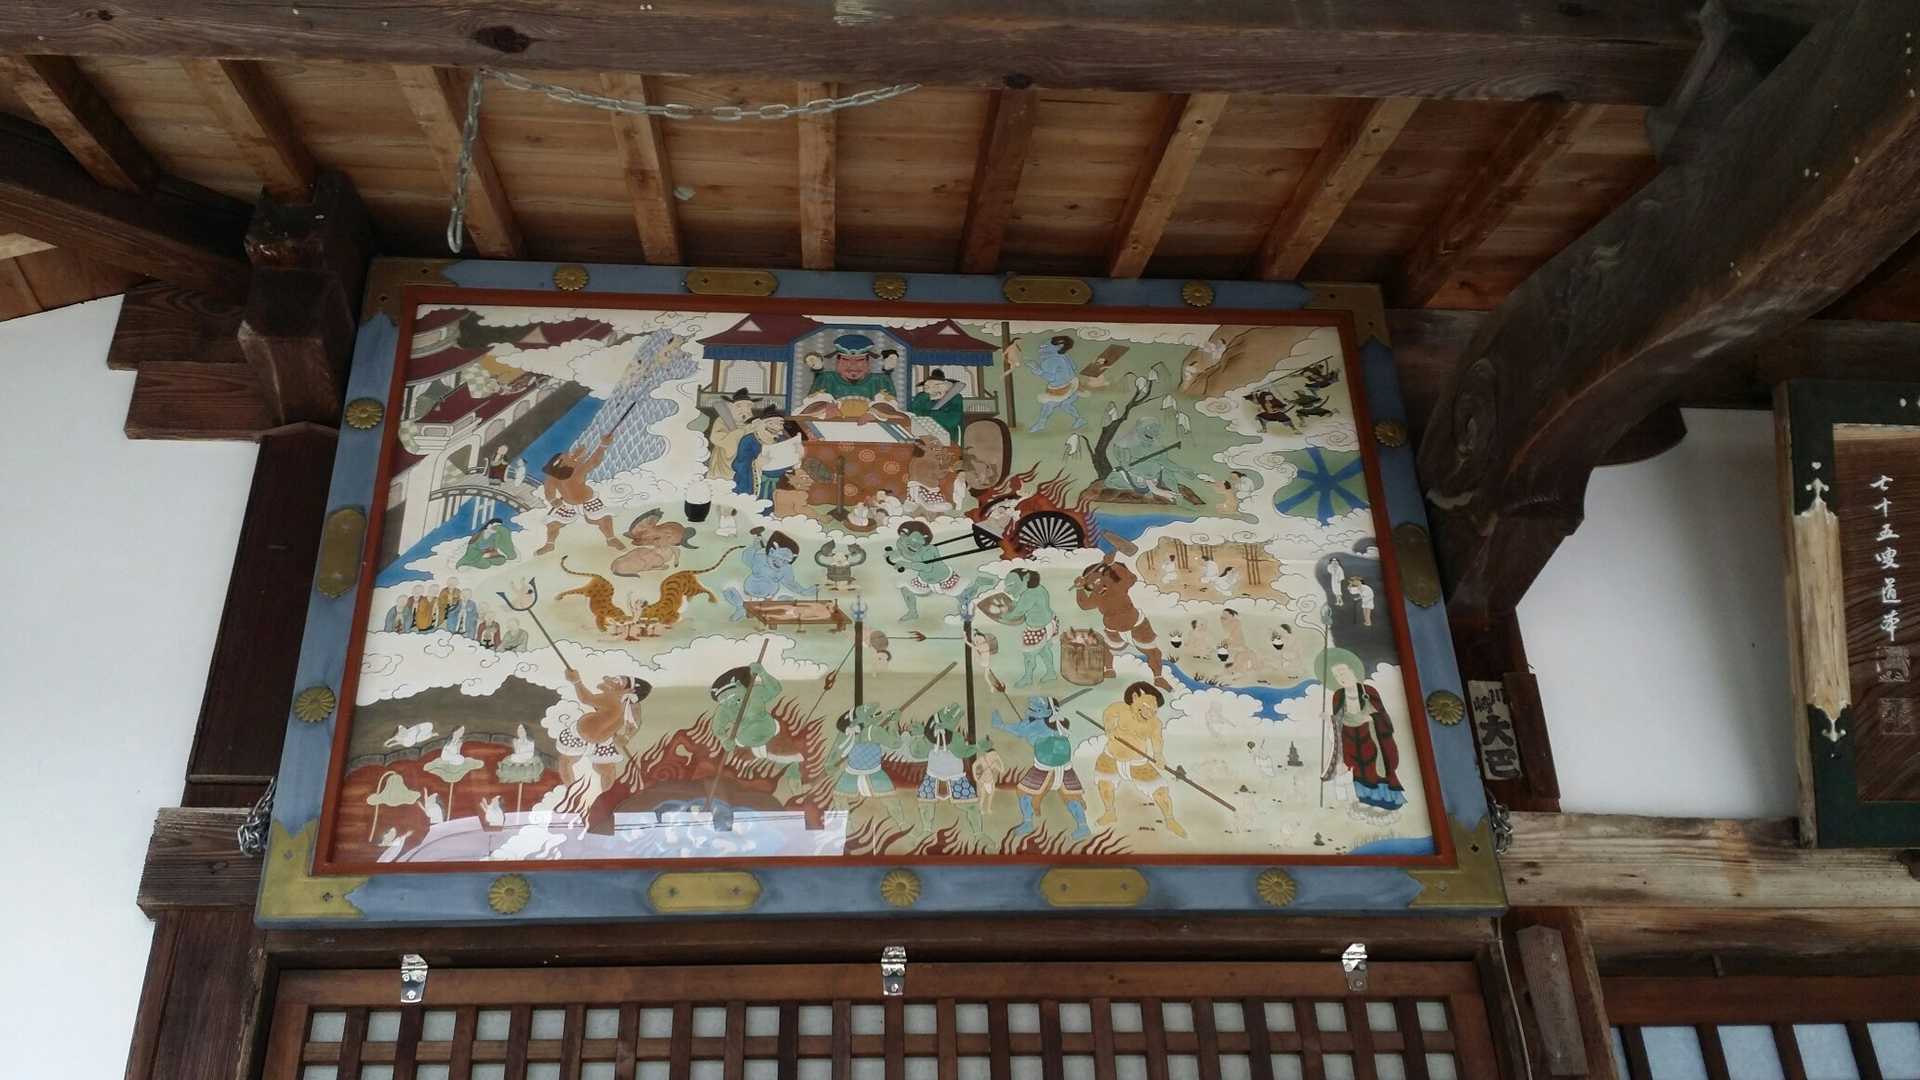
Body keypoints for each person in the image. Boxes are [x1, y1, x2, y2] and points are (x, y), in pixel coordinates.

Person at [1094, 682, 1186, 838]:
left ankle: (1170, 820)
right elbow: (1108, 713)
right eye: (1146, 707)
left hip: (1138, 764)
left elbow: (1157, 741)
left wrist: (1158, 756)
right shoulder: (1121, 708)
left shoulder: (1155, 723)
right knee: (1104, 785)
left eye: (1154, 710)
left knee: (1160, 792)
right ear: (1135, 697)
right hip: (1110, 757)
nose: (1149, 713)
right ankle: (1110, 813)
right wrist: (1109, 727)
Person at [991, 696, 1091, 839]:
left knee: (1022, 791)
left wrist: (1000, 724)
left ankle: (1027, 822)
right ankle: (1083, 826)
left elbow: (1017, 730)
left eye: (1034, 709)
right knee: (1071, 797)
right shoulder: (1061, 722)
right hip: (1066, 768)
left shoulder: (1033, 724)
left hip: (1044, 768)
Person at [1320, 652, 1404, 811]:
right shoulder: (1338, 696)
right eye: (1337, 675)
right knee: (1357, 771)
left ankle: (1387, 802)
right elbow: (1339, 718)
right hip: (1350, 739)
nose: (1341, 677)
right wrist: (1330, 719)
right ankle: (1365, 801)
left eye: (1343, 672)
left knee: (1377, 771)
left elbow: (1383, 717)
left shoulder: (1368, 691)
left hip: (1372, 737)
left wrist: (1371, 718)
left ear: (1353, 671)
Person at [536, 431, 623, 555]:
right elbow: (549, 490)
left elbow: (594, 461)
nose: (567, 460)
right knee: (553, 524)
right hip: (568, 504)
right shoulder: (552, 477)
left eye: (566, 459)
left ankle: (611, 539)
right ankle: (549, 545)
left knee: (605, 519)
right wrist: (553, 500)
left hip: (589, 500)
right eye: (562, 460)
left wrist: (603, 446)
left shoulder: (578, 468)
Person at [805, 334, 897, 399]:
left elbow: (890, 406)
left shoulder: (879, 380)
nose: (853, 365)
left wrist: (888, 371)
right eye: (846, 360)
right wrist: (817, 372)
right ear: (837, 362)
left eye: (860, 360)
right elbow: (813, 404)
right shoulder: (827, 379)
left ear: (868, 363)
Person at [1022, 335, 1084, 432]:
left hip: (1062, 387)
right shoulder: (1063, 356)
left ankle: (1041, 424)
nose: (1042, 347)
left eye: (1045, 345)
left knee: (1049, 405)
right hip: (1073, 383)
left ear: (1060, 346)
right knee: (1065, 404)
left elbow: (1050, 377)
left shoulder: (1050, 360)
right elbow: (1074, 367)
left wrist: (1037, 369)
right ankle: (1079, 419)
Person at [908, 368, 966, 441]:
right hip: (922, 433)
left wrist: (928, 415)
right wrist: (928, 397)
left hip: (949, 434)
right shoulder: (921, 397)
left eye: (937, 385)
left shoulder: (955, 397)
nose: (934, 388)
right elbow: (914, 414)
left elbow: (952, 419)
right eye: (928, 386)